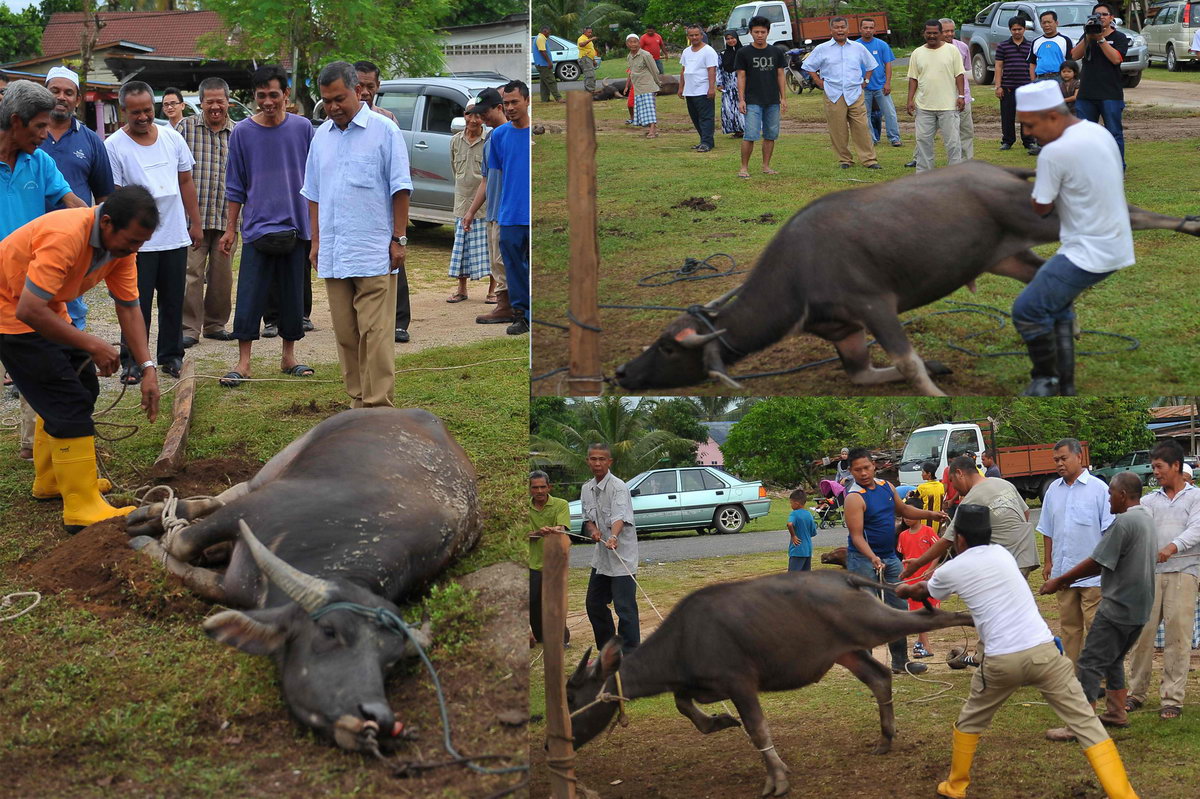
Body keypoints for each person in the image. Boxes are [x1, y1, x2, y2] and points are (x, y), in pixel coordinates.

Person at [896, 504, 1140, 799]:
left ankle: (956, 786)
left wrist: (906, 589)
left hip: (1001, 660)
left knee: (970, 721)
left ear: (959, 538)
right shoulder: (1002, 554)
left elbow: (926, 591)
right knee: (1086, 724)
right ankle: (1124, 794)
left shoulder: (951, 569)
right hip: (1044, 652)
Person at [0, 186, 161, 532]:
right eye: (132, 241)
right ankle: (82, 506)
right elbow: (28, 309)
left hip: (46, 309)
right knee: (66, 398)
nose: (135, 250)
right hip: (10, 311)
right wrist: (93, 344)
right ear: (106, 222)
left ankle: (52, 479)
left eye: (140, 243)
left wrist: (147, 368)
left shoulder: (121, 249)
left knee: (81, 385)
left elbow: (129, 308)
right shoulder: (65, 235)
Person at [1012, 80, 1132, 396]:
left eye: (1030, 124)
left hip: (1088, 252)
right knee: (1059, 307)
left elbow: (1041, 208)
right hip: (1115, 242)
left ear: (1052, 116)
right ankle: (1066, 385)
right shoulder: (1097, 131)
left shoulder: (1055, 152)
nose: (1027, 132)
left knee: (1027, 309)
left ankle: (1045, 381)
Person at [303, 62, 410, 409]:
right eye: (326, 101)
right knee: (346, 334)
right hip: (335, 252)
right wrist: (317, 241)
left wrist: (399, 238)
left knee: (376, 333)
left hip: (374, 250)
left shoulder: (384, 131)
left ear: (357, 92)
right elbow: (314, 194)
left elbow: (401, 189)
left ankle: (378, 405)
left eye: (339, 99)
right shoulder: (321, 137)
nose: (332, 107)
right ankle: (358, 401)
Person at [218, 65, 314, 388]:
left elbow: (315, 181)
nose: (268, 102)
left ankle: (289, 357)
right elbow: (235, 186)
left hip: (296, 226)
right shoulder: (243, 132)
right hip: (257, 228)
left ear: (286, 94)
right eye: (262, 96)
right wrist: (231, 229)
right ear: (254, 97)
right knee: (249, 295)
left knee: (292, 296)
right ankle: (243, 363)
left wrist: (316, 229)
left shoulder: (303, 129)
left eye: (274, 94)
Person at [1041, 471, 1156, 740]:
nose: (1108, 498)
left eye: (1111, 493)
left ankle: (1080, 725)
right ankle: (1117, 712)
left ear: (1123, 495)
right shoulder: (1146, 517)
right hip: (1139, 609)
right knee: (1113, 659)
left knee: (1090, 662)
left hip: (1117, 606)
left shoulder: (1124, 523)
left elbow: (1097, 561)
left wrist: (1060, 580)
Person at [104, 80, 202, 383]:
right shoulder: (114, 146)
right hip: (137, 244)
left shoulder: (172, 138)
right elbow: (116, 195)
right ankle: (133, 360)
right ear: (124, 112)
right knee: (134, 302)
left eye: (148, 110)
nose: (143, 117)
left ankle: (171, 356)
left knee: (173, 300)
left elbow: (185, 181)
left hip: (173, 235)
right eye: (136, 113)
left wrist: (195, 222)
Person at [844, 446, 948, 675]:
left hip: (890, 558)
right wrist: (872, 557)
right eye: (858, 470)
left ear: (874, 466)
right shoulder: (854, 497)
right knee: (867, 612)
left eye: (867, 467)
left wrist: (931, 515)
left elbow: (903, 509)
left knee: (899, 607)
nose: (863, 473)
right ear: (851, 471)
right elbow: (856, 536)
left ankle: (900, 662)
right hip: (863, 559)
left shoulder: (886, 487)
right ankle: (868, 667)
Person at [1126, 439, 1200, 720]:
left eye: (1159, 467)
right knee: (1142, 635)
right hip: (1150, 576)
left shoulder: (1196, 498)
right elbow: (1137, 527)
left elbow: (1196, 530)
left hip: (1184, 572)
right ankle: (1135, 693)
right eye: (1153, 467)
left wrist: (1170, 548)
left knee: (1177, 637)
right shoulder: (1148, 501)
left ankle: (1172, 699)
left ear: (1176, 466)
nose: (1154, 472)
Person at [41, 65, 114, 334]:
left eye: (68, 92)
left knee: (71, 303)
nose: (61, 97)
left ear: (77, 99)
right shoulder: (26, 136)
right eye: (55, 91)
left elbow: (105, 194)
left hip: (73, 239)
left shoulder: (91, 141)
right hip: (28, 233)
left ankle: (75, 360)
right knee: (25, 300)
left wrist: (100, 239)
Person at [903, 454, 1040, 583]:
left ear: (959, 473)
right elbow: (1025, 513)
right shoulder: (1003, 483)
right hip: (1026, 554)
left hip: (1005, 562)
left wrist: (918, 563)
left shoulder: (971, 499)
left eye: (952, 481)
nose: (954, 487)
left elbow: (946, 541)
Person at [1039, 438, 1114, 664]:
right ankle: (1073, 675)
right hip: (1064, 573)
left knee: (1096, 626)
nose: (1059, 464)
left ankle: (1098, 677)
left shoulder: (1099, 489)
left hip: (1093, 574)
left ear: (1079, 457)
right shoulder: (1053, 490)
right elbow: (1047, 528)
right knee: (1070, 628)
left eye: (1064, 458)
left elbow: (1109, 532)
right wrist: (1048, 562)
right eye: (1056, 460)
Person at [176, 77, 235, 349]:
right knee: (191, 273)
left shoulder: (239, 132)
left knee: (222, 276)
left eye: (219, 101)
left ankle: (215, 324)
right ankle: (189, 327)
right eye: (209, 101)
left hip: (226, 218)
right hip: (192, 219)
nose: (215, 107)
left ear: (228, 102)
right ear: (200, 102)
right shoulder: (184, 129)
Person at [462, 88, 515, 326]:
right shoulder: (490, 140)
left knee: (506, 260)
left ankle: (514, 306)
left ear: (499, 108)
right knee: (496, 260)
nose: (481, 118)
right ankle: (504, 305)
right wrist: (471, 212)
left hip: (510, 210)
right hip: (492, 211)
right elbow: (485, 179)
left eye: (485, 113)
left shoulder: (512, 135)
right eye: (477, 113)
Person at [581, 443, 640, 653]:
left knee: (625, 608)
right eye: (593, 459)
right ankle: (608, 652)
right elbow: (588, 520)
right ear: (587, 461)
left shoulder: (618, 487)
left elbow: (619, 518)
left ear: (609, 462)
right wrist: (594, 530)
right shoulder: (586, 489)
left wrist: (613, 536)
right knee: (594, 604)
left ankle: (631, 655)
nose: (597, 463)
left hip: (622, 556)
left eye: (601, 459)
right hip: (602, 559)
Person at [803, 16, 881, 170]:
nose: (840, 30)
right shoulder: (822, 48)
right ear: (831, 30)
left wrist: (866, 81)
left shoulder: (857, 47)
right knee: (838, 129)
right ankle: (845, 160)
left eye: (842, 27)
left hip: (855, 92)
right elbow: (808, 66)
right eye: (836, 27)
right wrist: (819, 82)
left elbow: (871, 64)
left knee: (861, 127)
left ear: (848, 29)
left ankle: (869, 160)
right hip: (834, 93)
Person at [488, 81, 530, 337]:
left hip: (531, 213)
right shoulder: (499, 136)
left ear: (527, 101)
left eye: (515, 102)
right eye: (507, 103)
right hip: (510, 214)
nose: (511, 107)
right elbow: (498, 174)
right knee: (513, 268)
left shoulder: (535, 132)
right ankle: (522, 315)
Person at [1069, 2, 1129, 167]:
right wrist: (1088, 37)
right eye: (1097, 15)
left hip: (1110, 94)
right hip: (1087, 93)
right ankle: (1089, 167)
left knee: (1114, 133)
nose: (1100, 17)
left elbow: (1116, 59)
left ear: (1111, 18)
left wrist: (1101, 39)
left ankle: (1117, 167)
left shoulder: (1119, 37)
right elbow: (1074, 55)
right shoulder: (1087, 35)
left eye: (1104, 14)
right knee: (1085, 134)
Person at [446, 101, 492, 304]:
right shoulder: (455, 141)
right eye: (469, 114)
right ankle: (461, 289)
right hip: (461, 203)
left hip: (485, 205)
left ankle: (493, 290)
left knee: (490, 248)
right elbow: (455, 171)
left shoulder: (490, 140)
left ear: (484, 117)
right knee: (461, 248)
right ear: (464, 115)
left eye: (478, 115)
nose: (473, 120)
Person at [906, 19, 965, 172]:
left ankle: (955, 175)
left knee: (953, 144)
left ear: (941, 34)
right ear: (924, 34)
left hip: (948, 106)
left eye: (935, 33)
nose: (932, 36)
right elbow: (913, 78)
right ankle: (924, 175)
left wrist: (961, 96)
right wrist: (910, 99)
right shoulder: (917, 53)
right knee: (923, 142)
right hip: (924, 106)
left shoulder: (952, 50)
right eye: (929, 33)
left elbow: (959, 75)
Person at [735, 16, 787, 178]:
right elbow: (741, 77)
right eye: (756, 32)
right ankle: (744, 167)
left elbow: (780, 75)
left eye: (763, 32)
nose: (759, 35)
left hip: (772, 100)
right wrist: (741, 99)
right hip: (752, 100)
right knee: (750, 135)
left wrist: (783, 97)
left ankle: (766, 166)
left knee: (771, 134)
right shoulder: (743, 52)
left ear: (768, 32)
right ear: (750, 33)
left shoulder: (776, 51)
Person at [529, 470, 571, 646]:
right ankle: (540, 636)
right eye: (535, 487)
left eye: (542, 487)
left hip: (553, 563)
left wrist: (554, 529)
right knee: (533, 603)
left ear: (549, 487)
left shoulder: (561, 504)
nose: (539, 491)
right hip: (531, 562)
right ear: (529, 489)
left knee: (554, 603)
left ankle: (561, 639)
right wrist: (538, 533)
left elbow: (562, 527)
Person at [897, 512, 941, 659]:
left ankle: (924, 645)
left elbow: (938, 551)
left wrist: (930, 569)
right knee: (918, 613)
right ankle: (924, 644)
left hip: (926, 578)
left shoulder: (928, 531)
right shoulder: (903, 535)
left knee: (926, 612)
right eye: (904, 515)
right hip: (911, 579)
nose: (907, 517)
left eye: (910, 514)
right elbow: (903, 556)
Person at [994, 17, 1038, 155]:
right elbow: (999, 66)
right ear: (1010, 30)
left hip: (1026, 88)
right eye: (1014, 29)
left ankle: (1029, 141)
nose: (1017, 32)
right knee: (1007, 116)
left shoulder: (1031, 46)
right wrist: (998, 86)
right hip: (1008, 87)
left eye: (1019, 29)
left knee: (1027, 116)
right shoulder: (1003, 46)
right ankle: (1007, 141)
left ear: (1024, 29)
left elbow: (1034, 65)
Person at [857, 18, 900, 148]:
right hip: (863, 87)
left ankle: (894, 138)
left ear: (875, 30)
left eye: (871, 28)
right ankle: (871, 139)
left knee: (890, 113)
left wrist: (887, 82)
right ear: (860, 29)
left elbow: (888, 64)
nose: (868, 30)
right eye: (865, 27)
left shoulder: (882, 45)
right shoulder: (855, 46)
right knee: (865, 115)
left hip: (880, 86)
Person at [678, 23, 718, 153]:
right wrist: (681, 88)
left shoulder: (708, 51)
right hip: (690, 90)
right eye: (691, 35)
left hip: (703, 89)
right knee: (695, 117)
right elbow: (683, 70)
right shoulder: (686, 51)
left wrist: (711, 88)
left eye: (696, 35)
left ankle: (707, 143)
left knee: (706, 117)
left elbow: (711, 70)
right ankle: (703, 140)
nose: (694, 37)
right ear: (688, 36)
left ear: (701, 35)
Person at [941, 18, 975, 160]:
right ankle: (919, 157)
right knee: (946, 132)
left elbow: (966, 69)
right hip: (942, 97)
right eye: (945, 31)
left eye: (951, 30)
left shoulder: (962, 47)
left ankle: (967, 161)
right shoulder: (932, 49)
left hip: (963, 96)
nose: (949, 34)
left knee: (966, 131)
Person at [627, 34, 662, 139]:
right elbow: (631, 72)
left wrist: (658, 83)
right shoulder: (629, 56)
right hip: (638, 87)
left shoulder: (645, 55)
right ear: (627, 44)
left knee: (649, 108)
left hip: (647, 85)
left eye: (635, 41)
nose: (633, 44)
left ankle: (652, 131)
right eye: (630, 42)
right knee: (643, 109)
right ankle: (653, 129)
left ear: (639, 43)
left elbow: (654, 70)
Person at [1028, 11, 1074, 86]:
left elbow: (1071, 62)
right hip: (1040, 79)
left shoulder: (1065, 40)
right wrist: (1033, 81)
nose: (1047, 25)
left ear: (1056, 23)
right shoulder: (1036, 41)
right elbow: (1032, 63)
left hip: (1059, 78)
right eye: (1044, 23)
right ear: (1040, 24)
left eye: (1049, 22)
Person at [716, 30, 746, 137]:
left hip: (743, 85)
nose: (730, 41)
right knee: (729, 109)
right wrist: (719, 83)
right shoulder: (722, 54)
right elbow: (719, 69)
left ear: (737, 38)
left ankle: (745, 128)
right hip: (729, 86)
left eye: (732, 38)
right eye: (728, 39)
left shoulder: (744, 52)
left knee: (743, 107)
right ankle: (737, 130)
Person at [786, 488, 814, 571]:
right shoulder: (809, 514)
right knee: (805, 576)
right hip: (808, 550)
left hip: (797, 550)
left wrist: (793, 536)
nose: (791, 505)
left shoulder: (794, 514)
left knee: (793, 577)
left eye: (791, 503)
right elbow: (813, 532)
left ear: (796, 503)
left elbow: (789, 524)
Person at [917, 461, 945, 533]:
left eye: (923, 472)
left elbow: (914, 501)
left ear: (929, 474)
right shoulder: (941, 486)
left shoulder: (922, 487)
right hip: (938, 521)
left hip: (925, 521)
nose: (921, 475)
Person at [535, 26, 561, 104]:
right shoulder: (541, 38)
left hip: (541, 63)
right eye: (549, 32)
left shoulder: (539, 37)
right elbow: (542, 51)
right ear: (545, 31)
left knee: (544, 82)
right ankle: (558, 98)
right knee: (551, 81)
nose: (549, 34)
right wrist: (549, 62)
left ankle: (545, 99)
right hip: (543, 64)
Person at [577, 27, 599, 93]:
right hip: (584, 58)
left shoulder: (587, 39)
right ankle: (590, 91)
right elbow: (581, 44)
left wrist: (593, 60)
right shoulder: (581, 38)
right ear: (584, 32)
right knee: (589, 75)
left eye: (591, 32)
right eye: (589, 32)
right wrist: (591, 39)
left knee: (591, 74)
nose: (590, 34)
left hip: (589, 59)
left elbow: (590, 50)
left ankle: (590, 90)